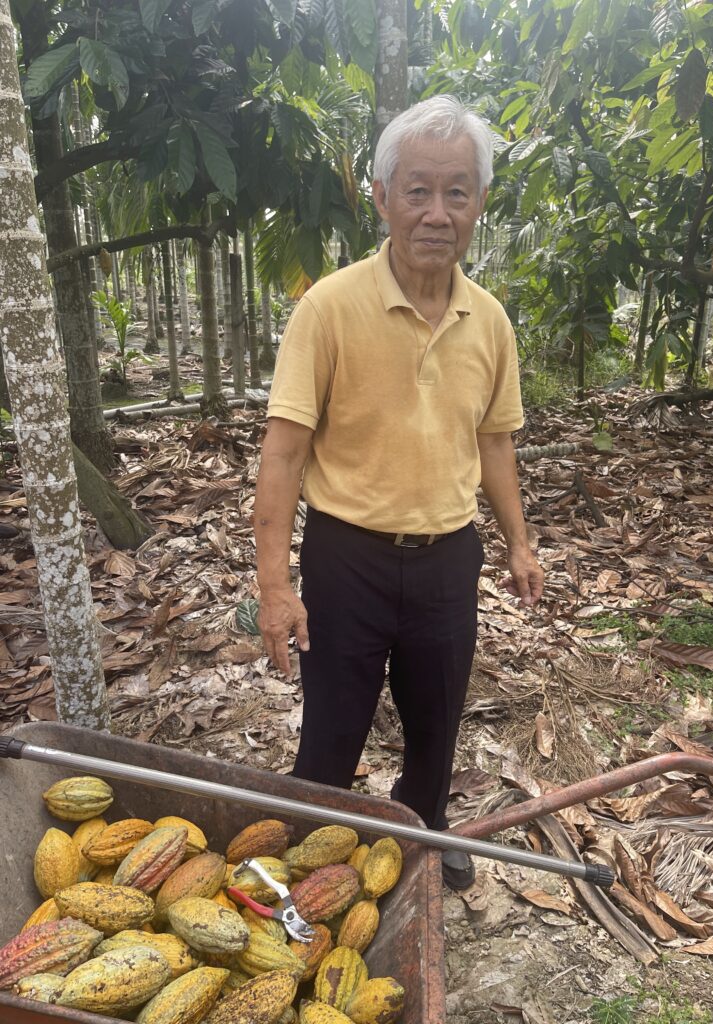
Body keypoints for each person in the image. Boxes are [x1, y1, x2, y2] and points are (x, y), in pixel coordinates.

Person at [252, 95, 544, 891]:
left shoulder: (489, 322)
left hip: (449, 558)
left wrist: (518, 542)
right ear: (381, 197)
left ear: (479, 202)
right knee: (332, 730)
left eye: (458, 191)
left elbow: (494, 440)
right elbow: (283, 454)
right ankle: (317, 842)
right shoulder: (330, 307)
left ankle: (424, 826)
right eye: (417, 189)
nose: (437, 212)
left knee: (435, 720)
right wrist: (275, 587)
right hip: (348, 557)